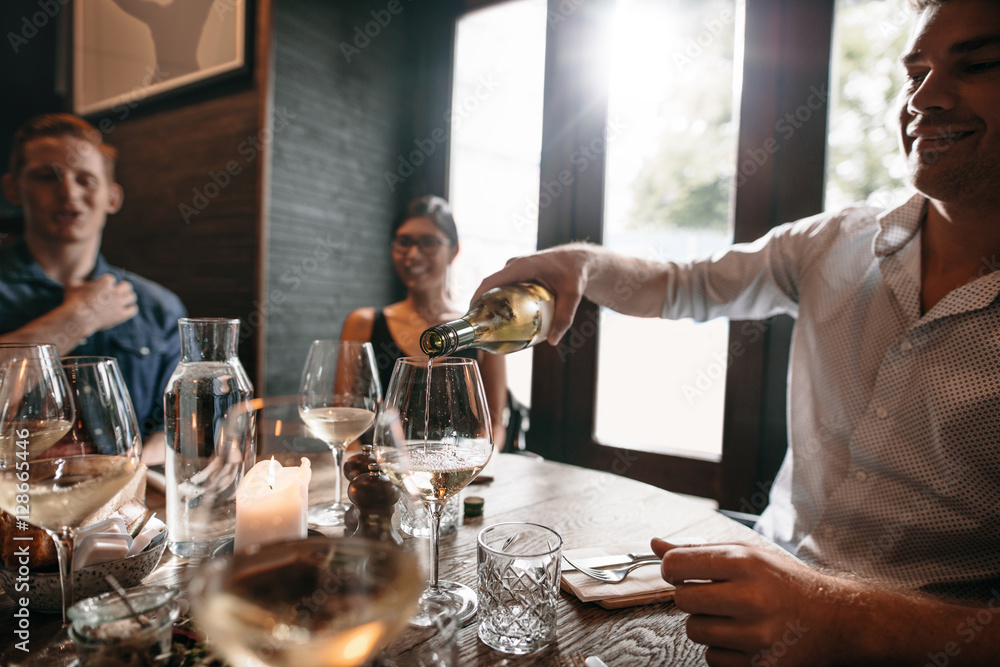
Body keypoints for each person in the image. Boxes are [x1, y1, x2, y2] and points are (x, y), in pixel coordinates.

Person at [475, 0, 1000, 663]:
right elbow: (684, 283)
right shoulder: (834, 241)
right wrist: (582, 262)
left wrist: (830, 616)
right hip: (754, 594)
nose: (925, 97)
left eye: (977, 63)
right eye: (914, 71)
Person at [0, 113, 186, 465]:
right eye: (47, 176)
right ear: (13, 189)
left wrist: (128, 472)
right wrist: (78, 317)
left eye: (85, 179)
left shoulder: (159, 307)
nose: (68, 192)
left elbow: (174, 426)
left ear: (112, 198)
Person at [342, 195, 508, 448]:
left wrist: (475, 469)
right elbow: (346, 421)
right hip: (382, 475)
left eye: (429, 242)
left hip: (456, 474)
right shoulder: (363, 323)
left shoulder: (482, 327)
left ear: (454, 250)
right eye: (403, 242)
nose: (413, 254)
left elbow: (493, 426)